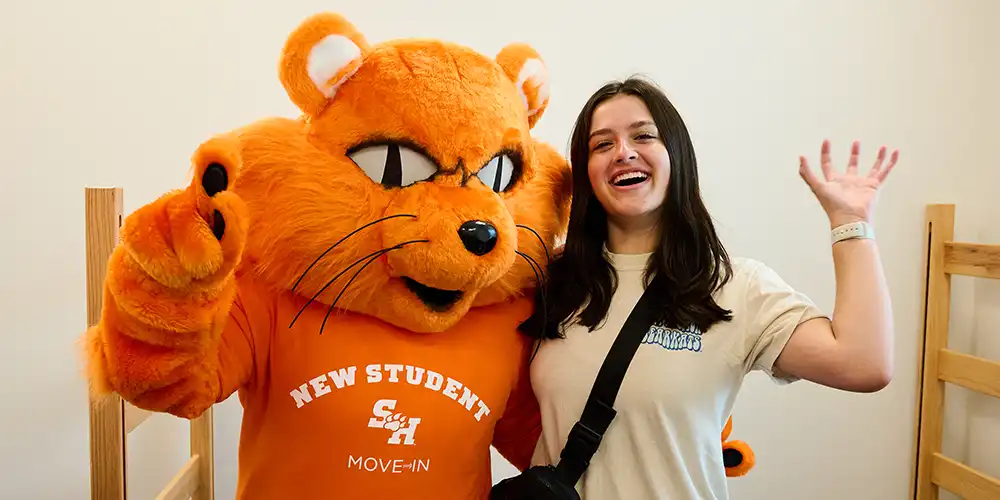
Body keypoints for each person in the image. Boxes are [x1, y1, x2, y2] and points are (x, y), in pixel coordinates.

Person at [519, 76, 898, 499]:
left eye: (644, 135)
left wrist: (850, 223)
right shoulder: (550, 278)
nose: (623, 152)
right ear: (585, 173)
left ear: (676, 156)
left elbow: (864, 364)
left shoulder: (735, 286)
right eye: (602, 144)